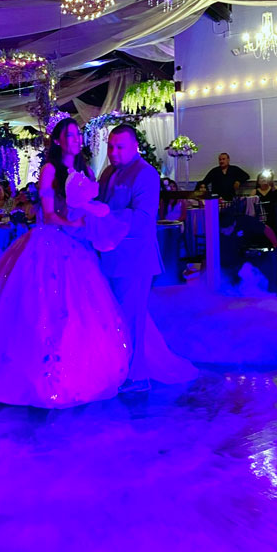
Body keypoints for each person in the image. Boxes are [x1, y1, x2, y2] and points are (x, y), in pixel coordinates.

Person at [0, 118, 132, 407]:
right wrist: (71, 225)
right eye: (71, 135)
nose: (76, 139)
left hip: (78, 245)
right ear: (59, 141)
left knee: (80, 308)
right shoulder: (50, 169)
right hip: (53, 241)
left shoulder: (86, 169)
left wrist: (91, 220)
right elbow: (48, 213)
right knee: (45, 305)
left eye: (78, 134)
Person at [98, 125, 197, 386]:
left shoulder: (145, 174)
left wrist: (104, 216)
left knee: (132, 318)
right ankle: (121, 368)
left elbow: (143, 219)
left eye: (120, 147)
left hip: (134, 259)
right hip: (110, 257)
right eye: (111, 146)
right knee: (117, 316)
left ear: (134, 147)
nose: (113, 153)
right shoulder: (108, 172)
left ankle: (136, 375)